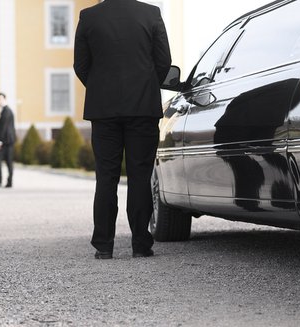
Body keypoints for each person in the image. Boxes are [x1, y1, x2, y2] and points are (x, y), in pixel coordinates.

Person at [74, 0, 172, 259]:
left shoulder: (88, 16)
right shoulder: (151, 14)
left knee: (106, 177)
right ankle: (141, 244)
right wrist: (146, 85)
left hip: (103, 110)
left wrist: (99, 88)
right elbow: (164, 62)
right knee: (140, 176)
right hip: (142, 107)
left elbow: (80, 65)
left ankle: (104, 246)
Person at [0, 93, 16, 188]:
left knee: (4, 161)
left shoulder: (6, 111)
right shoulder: (5, 111)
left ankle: (5, 181)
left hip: (6, 141)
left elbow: (4, 128)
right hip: (7, 141)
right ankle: (2, 180)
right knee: (4, 161)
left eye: (0, 99)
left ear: (5, 99)